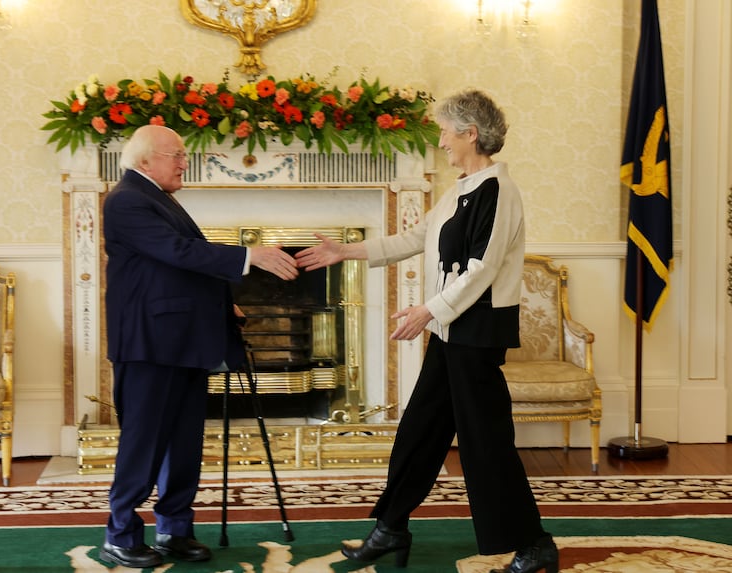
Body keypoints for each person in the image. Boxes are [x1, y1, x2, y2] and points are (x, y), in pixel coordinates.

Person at [296, 90, 558, 573]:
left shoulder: (499, 190)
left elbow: (482, 267)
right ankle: (390, 529)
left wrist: (426, 310)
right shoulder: (460, 188)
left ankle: (533, 542)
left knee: (485, 444)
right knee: (419, 431)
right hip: (450, 332)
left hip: (476, 334)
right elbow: (416, 238)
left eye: (445, 132)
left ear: (470, 134)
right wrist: (346, 252)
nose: (440, 140)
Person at [100, 125, 298, 569]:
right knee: (144, 443)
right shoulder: (127, 199)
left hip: (183, 339)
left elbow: (181, 265)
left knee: (183, 444)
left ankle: (173, 529)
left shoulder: (159, 198)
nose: (183, 162)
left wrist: (226, 308)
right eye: (176, 155)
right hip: (150, 344)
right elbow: (178, 251)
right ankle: (120, 535)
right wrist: (252, 256)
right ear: (146, 160)